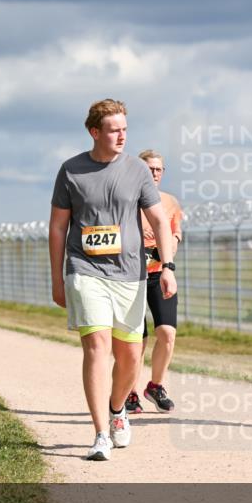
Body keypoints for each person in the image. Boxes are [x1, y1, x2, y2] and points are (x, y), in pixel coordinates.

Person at [49, 99, 178, 461]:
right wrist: (58, 278)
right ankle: (101, 433)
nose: (122, 135)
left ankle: (118, 408)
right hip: (85, 269)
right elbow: (58, 227)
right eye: (114, 129)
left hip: (130, 274)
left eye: (125, 128)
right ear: (94, 132)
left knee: (130, 356)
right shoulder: (71, 170)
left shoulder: (137, 170)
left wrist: (167, 267)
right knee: (97, 347)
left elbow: (157, 220)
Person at [125, 149, 183, 414]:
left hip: (160, 273)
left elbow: (175, 236)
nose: (155, 173)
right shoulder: (126, 200)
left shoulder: (170, 202)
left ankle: (156, 386)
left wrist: (168, 258)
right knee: (137, 339)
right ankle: (129, 391)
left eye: (159, 169)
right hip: (131, 276)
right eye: (149, 169)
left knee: (167, 333)